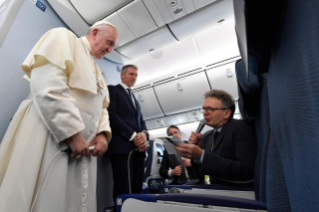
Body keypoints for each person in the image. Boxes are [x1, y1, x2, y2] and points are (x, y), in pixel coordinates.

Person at [0, 21, 118, 212]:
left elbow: (102, 107)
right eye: (110, 42)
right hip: (51, 134)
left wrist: (103, 133)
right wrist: (72, 132)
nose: (110, 50)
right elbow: (48, 83)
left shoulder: (99, 72)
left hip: (84, 148)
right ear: (95, 33)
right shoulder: (64, 38)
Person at [174, 89, 257, 186]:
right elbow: (200, 174)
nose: (205, 113)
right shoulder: (207, 136)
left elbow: (246, 171)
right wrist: (194, 158)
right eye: (204, 109)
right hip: (208, 187)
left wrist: (202, 156)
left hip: (230, 191)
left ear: (226, 113)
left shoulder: (241, 128)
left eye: (211, 109)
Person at [105, 65, 148, 208]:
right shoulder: (113, 90)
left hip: (137, 149)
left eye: (136, 75)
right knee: (123, 187)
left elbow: (141, 120)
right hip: (122, 148)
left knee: (137, 187)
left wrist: (144, 135)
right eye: (131, 74)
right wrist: (133, 136)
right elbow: (111, 115)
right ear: (122, 75)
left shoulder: (135, 99)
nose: (134, 77)